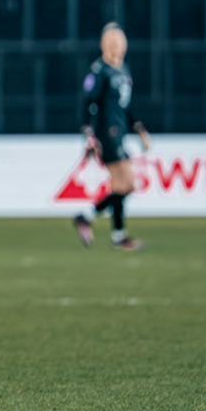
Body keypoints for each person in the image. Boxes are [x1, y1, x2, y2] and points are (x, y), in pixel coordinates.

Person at [73, 22, 150, 252]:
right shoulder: (100, 70)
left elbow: (125, 106)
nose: (117, 46)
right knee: (128, 183)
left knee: (121, 186)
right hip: (108, 134)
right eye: (112, 42)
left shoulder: (123, 69)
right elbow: (88, 102)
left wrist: (139, 129)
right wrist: (88, 132)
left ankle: (116, 234)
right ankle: (89, 218)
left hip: (120, 132)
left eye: (119, 41)